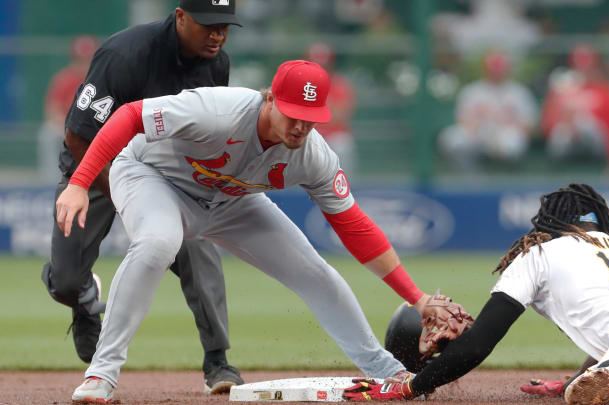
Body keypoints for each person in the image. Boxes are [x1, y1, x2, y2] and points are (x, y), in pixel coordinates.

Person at [55, 59, 469, 403]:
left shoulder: (313, 155)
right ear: (269, 99)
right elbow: (130, 115)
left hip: (230, 200)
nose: (301, 127)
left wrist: (416, 298)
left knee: (315, 272)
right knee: (158, 243)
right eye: (293, 114)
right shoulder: (217, 110)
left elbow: (353, 225)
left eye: (311, 118)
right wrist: (79, 183)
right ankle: (101, 375)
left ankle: (388, 371)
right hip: (153, 177)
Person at [342, 183, 609, 403]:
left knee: (587, 397)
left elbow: (476, 346)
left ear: (545, 223)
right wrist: (572, 378)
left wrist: (409, 387)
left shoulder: (535, 253)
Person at [40, 0, 244, 395]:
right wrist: (117, 192)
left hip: (166, 175)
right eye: (208, 24)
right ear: (181, 16)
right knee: (64, 279)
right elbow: (77, 135)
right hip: (94, 167)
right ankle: (84, 300)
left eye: (225, 25)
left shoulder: (217, 65)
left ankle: (217, 360)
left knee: (198, 251)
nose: (218, 34)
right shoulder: (125, 54)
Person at [437, 49, 538, 171]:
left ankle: (504, 176)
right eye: (493, 67)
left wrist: (506, 130)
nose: (496, 71)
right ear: (485, 68)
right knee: (452, 139)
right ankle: (469, 176)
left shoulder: (519, 92)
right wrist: (476, 131)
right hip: (478, 133)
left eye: (500, 67)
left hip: (505, 134)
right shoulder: (472, 91)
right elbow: (462, 119)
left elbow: (529, 125)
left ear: (508, 68)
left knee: (511, 142)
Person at [541, 45, 609, 168]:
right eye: (579, 61)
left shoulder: (604, 90)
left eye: (587, 61)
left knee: (585, 122)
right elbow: (549, 120)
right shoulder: (561, 89)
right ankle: (558, 169)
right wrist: (568, 123)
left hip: (595, 145)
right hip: (567, 141)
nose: (583, 66)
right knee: (562, 131)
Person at [37, 35, 100, 183]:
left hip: (98, 128)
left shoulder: (103, 78)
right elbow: (52, 110)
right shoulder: (64, 79)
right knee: (48, 134)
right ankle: (52, 183)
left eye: (88, 60)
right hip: (68, 128)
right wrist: (70, 128)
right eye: (80, 60)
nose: (84, 65)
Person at [304, 42, 357, 174]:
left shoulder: (340, 84)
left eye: (323, 63)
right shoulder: (300, 83)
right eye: (314, 63)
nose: (319, 67)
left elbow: (341, 116)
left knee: (342, 144)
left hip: (334, 136)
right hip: (308, 135)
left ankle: (345, 188)